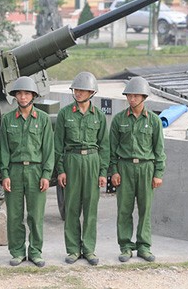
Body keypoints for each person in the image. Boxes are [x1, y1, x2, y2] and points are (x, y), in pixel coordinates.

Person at [54, 72, 109, 266]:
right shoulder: (64, 114)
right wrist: (61, 170)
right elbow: (58, 145)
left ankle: (89, 249)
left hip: (93, 161)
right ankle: (72, 250)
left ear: (91, 92)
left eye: (82, 90)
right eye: (76, 90)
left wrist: (103, 173)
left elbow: (104, 146)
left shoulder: (99, 117)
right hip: (72, 160)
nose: (78, 93)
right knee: (71, 208)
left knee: (91, 207)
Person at [109, 77, 166, 263]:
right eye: (129, 95)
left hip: (146, 168)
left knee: (145, 209)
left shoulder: (155, 121)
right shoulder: (118, 120)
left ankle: (144, 246)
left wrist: (158, 173)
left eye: (135, 96)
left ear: (144, 97)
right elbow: (111, 150)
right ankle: (125, 246)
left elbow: (159, 150)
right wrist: (114, 171)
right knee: (124, 209)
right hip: (124, 168)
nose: (131, 99)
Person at [0, 76, 54, 268]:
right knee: (14, 215)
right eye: (19, 94)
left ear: (33, 95)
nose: (22, 97)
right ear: (15, 96)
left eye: (26, 93)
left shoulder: (44, 119)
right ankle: (17, 252)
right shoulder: (7, 120)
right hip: (14, 171)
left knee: (35, 215)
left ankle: (36, 252)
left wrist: (47, 175)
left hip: (36, 171)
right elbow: (4, 150)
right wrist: (4, 174)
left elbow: (48, 150)